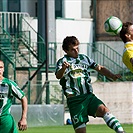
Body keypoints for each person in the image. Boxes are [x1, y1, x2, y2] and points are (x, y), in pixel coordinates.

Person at [55, 36, 126, 133]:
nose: (76, 52)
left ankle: (121, 132)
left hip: (89, 97)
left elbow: (99, 68)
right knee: (81, 131)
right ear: (65, 50)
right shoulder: (62, 62)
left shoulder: (84, 58)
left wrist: (112, 75)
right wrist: (63, 68)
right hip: (75, 101)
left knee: (104, 110)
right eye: (73, 50)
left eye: (77, 48)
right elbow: (58, 76)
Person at [0, 60, 28, 133]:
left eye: (1, 67)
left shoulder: (9, 84)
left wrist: (23, 118)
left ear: (3, 69)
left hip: (5, 122)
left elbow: (23, 98)